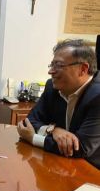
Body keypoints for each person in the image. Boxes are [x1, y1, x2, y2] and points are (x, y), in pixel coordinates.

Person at [17, 39, 100, 169]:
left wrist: (34, 138)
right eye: (52, 65)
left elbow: (80, 148)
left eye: (59, 66)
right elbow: (30, 121)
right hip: (61, 164)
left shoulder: (97, 96)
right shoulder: (52, 86)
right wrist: (53, 130)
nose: (51, 72)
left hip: (91, 171)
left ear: (83, 69)